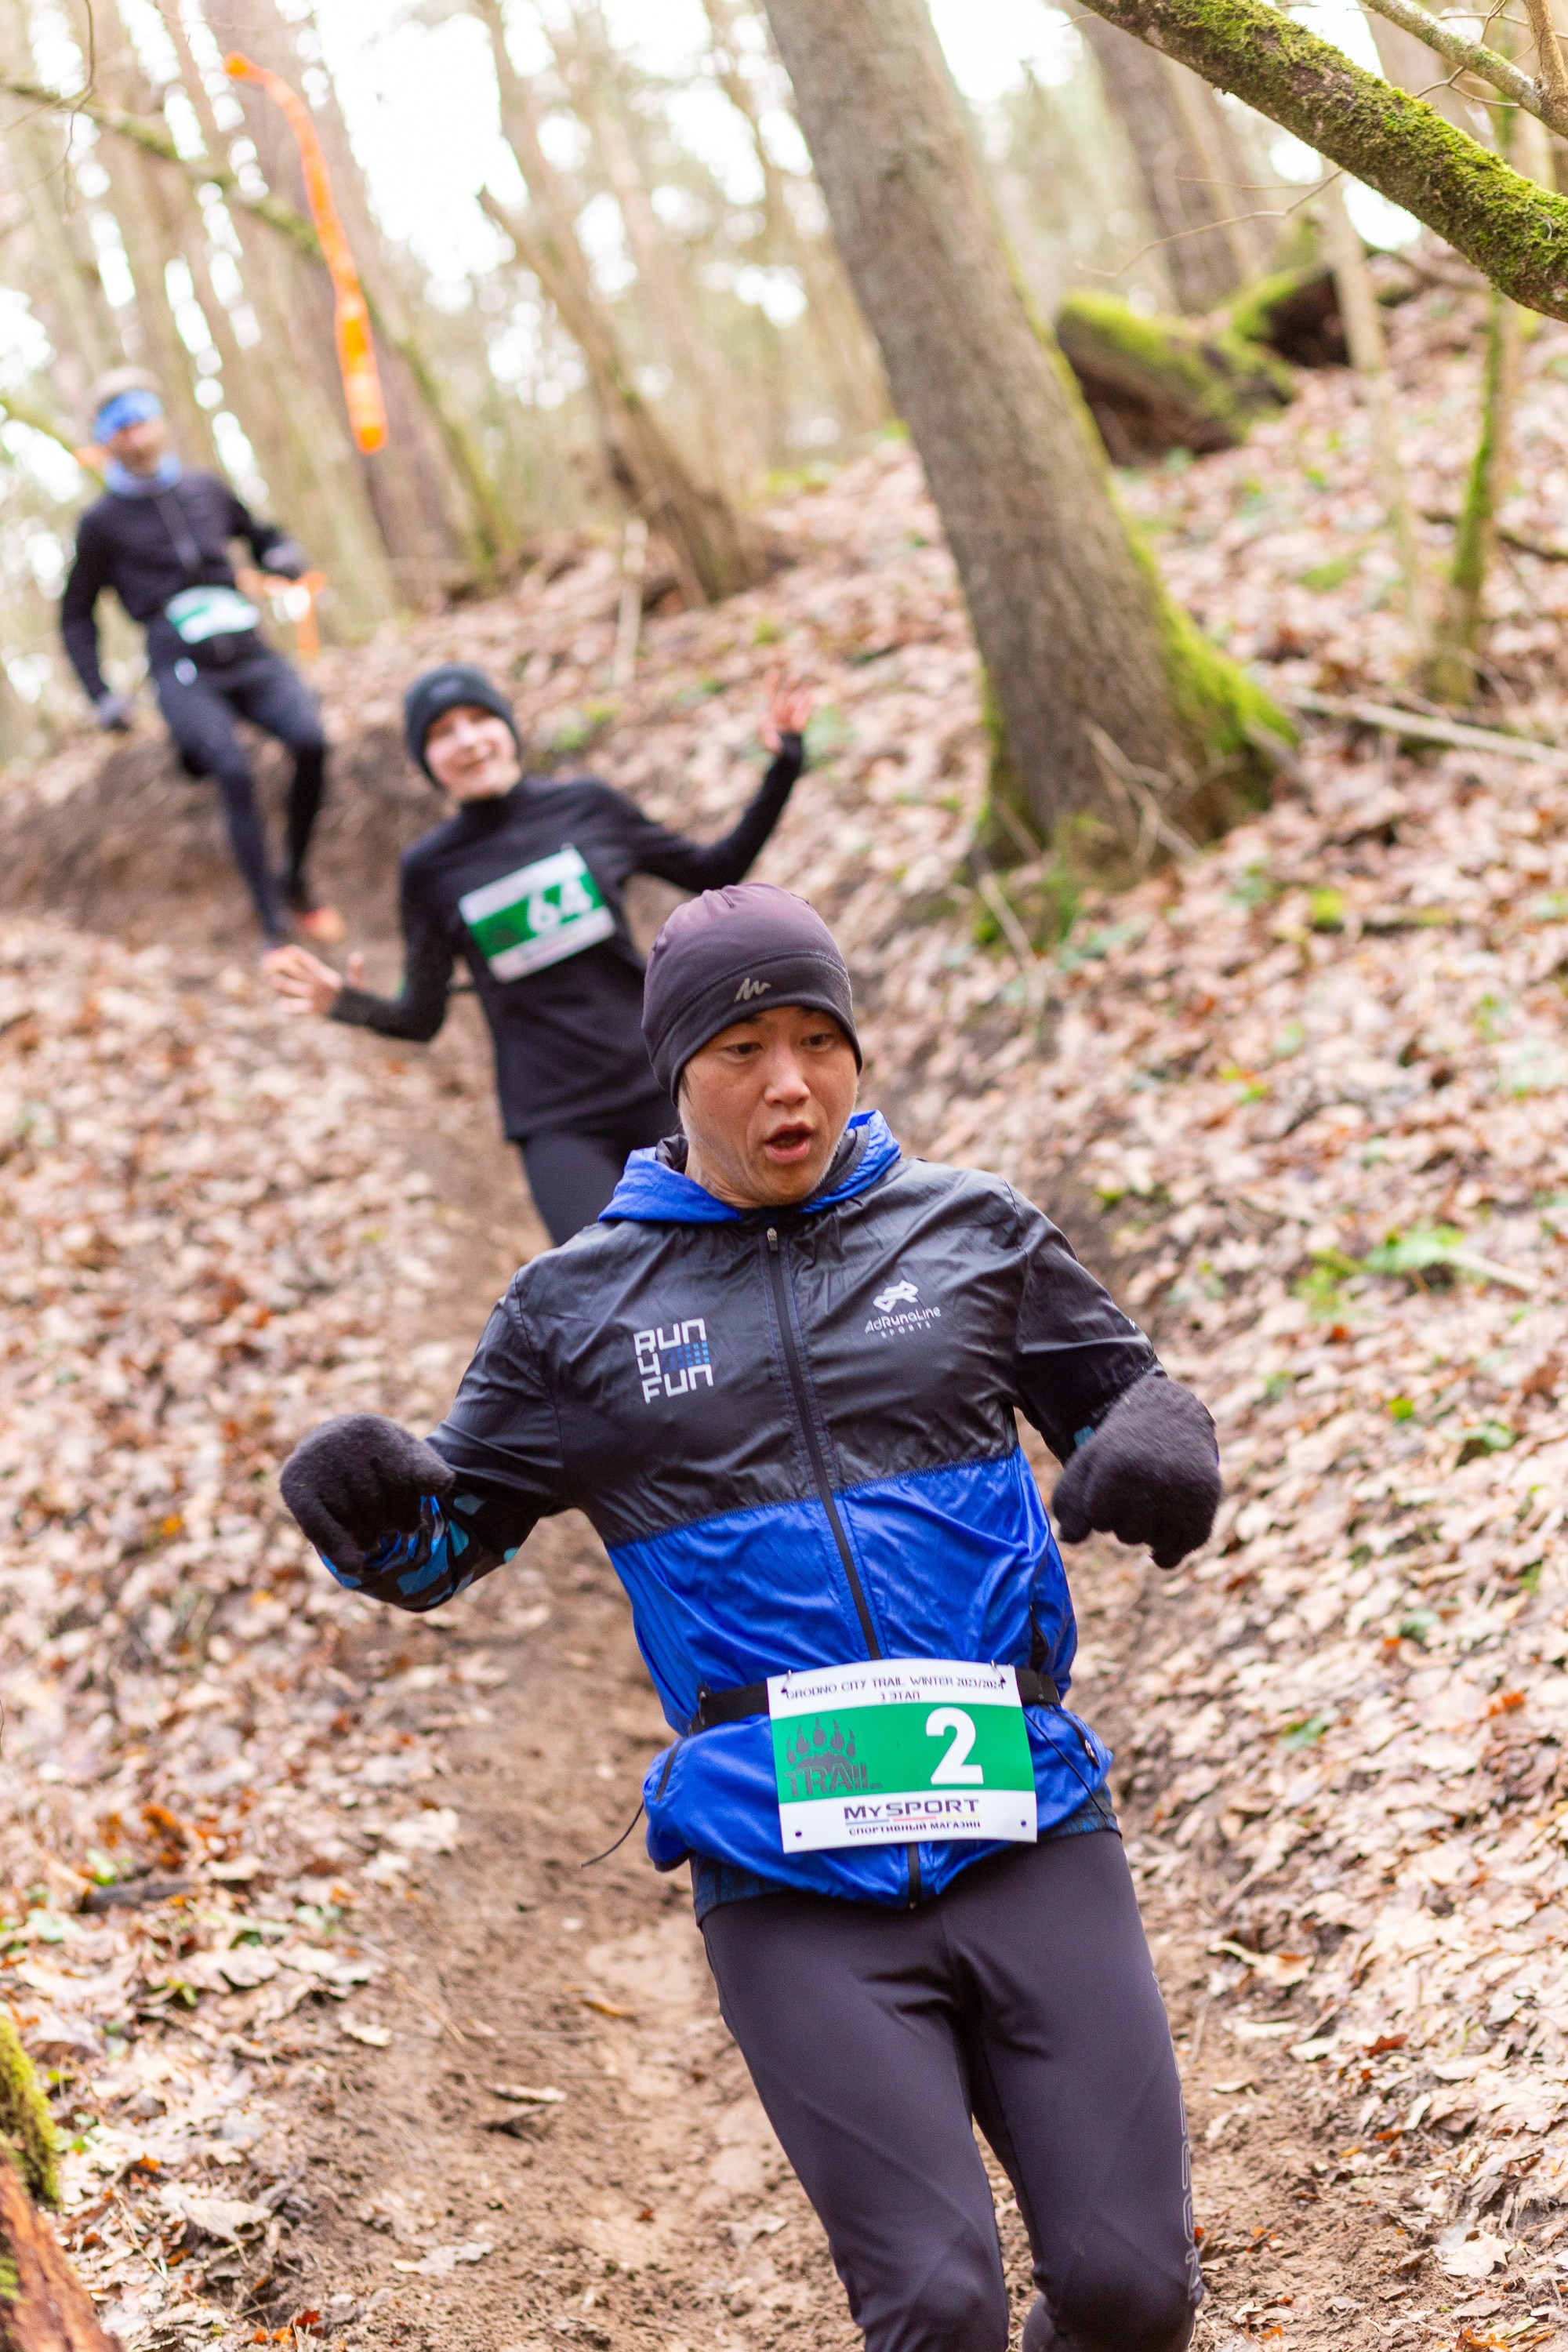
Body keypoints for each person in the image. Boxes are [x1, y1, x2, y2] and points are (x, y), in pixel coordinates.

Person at [278, 882, 1223, 2352]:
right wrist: (374, 1517)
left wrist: (1165, 1442)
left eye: (817, 1039)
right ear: (677, 1076)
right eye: (741, 1049)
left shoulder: (974, 1234)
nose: (789, 1082)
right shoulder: (570, 1311)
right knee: (938, 2300)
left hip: (1024, 1814)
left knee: (1132, 2295)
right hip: (783, 1859)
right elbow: (441, 1549)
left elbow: (1132, 1400)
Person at [266, 661, 813, 1246]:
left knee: (738, 1251)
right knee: (605, 1288)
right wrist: (344, 1003)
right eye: (443, 732)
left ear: (507, 728)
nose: (468, 740)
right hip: (556, 1121)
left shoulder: (586, 806)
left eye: (479, 719)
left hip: (662, 1082)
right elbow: (422, 1017)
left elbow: (716, 869)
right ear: (428, 761)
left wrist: (783, 766)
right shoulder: (428, 869)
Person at [60, 366, 340, 948]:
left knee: (311, 741)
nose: (135, 437)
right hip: (179, 662)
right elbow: (75, 615)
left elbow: (260, 533)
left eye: (141, 421)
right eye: (121, 429)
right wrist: (101, 695)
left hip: (248, 647)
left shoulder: (204, 488)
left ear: (159, 423)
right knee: (233, 772)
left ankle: (296, 878)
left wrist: (283, 553)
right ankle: (272, 928)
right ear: (106, 441)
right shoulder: (101, 524)